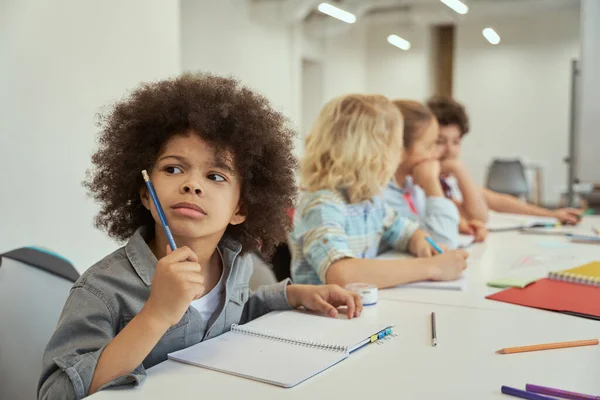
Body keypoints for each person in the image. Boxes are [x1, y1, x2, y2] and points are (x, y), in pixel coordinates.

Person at [38, 74, 363, 400]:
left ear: (241, 209)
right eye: (173, 169)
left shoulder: (234, 263)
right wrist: (157, 314)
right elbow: (55, 393)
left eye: (215, 176)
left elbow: (232, 313)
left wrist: (294, 294)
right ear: (146, 194)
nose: (193, 185)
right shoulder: (101, 289)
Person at [290, 94, 468, 288]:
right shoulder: (323, 205)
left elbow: (407, 232)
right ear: (373, 156)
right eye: (397, 147)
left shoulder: (370, 200)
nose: (400, 156)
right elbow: (341, 274)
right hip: (321, 316)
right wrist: (431, 267)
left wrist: (423, 243)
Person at [428, 95, 583, 225]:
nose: (450, 151)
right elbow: (477, 216)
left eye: (456, 142)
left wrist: (551, 215)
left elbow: (497, 200)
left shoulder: (448, 180)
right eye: (440, 142)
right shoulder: (425, 181)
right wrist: (459, 169)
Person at [384, 100, 463, 248]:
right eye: (429, 146)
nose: (436, 154)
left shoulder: (410, 186)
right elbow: (442, 244)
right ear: (399, 150)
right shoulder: (384, 196)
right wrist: (432, 184)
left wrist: (460, 224)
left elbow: (422, 225)